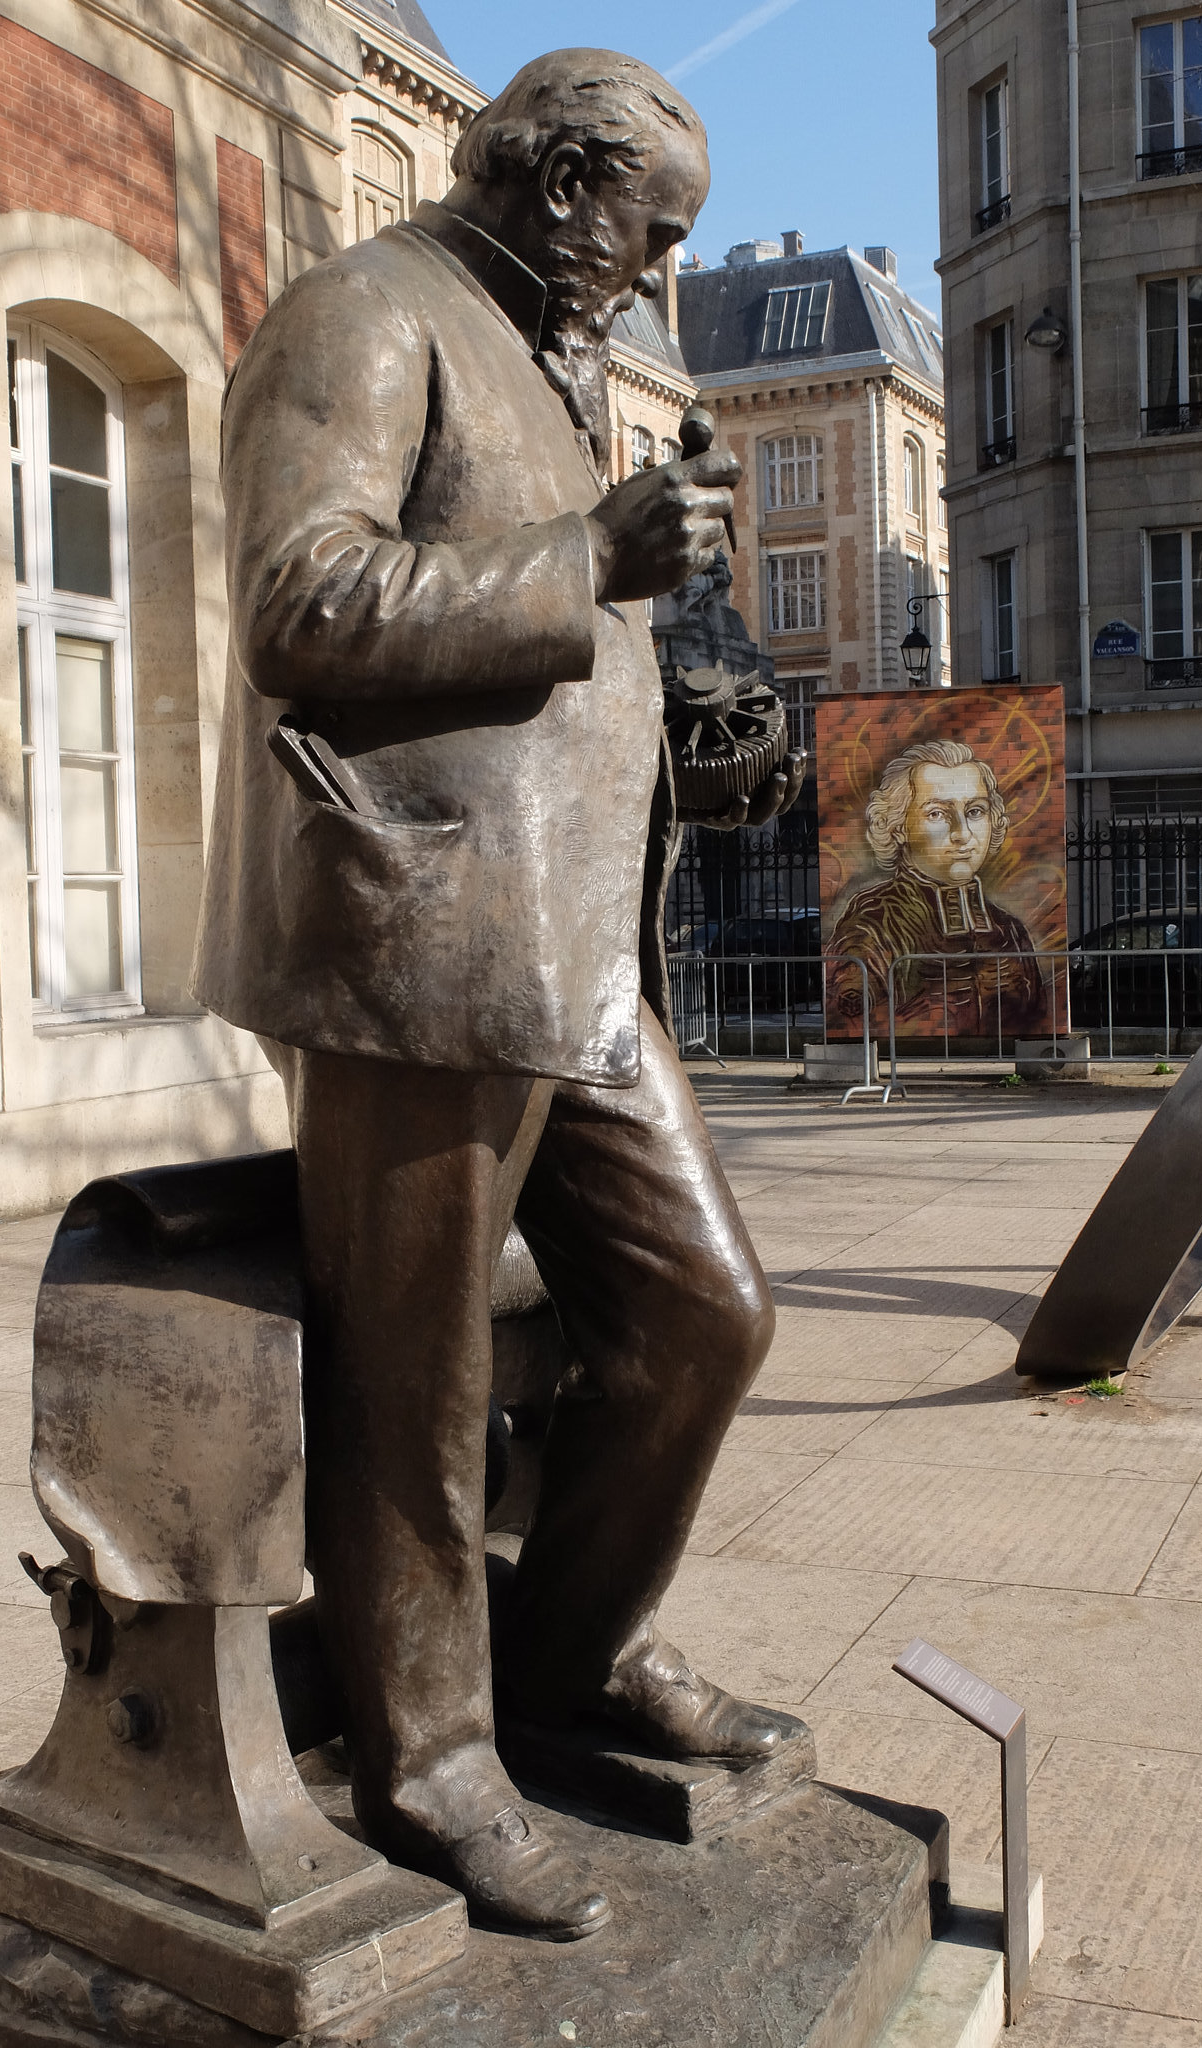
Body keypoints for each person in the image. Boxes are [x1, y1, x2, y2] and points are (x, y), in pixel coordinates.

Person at [194, 51, 788, 1943]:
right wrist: (588, 556)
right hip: (416, 942)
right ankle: (432, 1758)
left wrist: (686, 707)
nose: (659, 272)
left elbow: (545, 679)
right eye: (652, 229)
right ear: (555, 181)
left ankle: (560, 1652)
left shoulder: (556, 356)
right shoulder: (363, 314)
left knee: (703, 1318)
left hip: (575, 952)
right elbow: (301, 601)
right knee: (414, 1385)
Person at [830, 739, 1046, 1037]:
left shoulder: (1008, 929)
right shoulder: (873, 923)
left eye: (974, 812)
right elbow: (853, 1019)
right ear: (897, 826)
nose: (962, 834)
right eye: (937, 814)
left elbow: (1037, 1017)